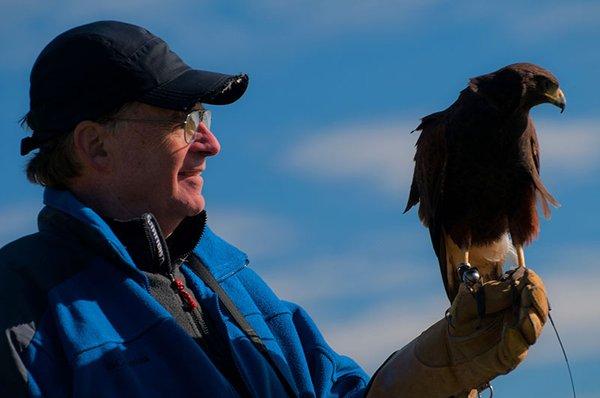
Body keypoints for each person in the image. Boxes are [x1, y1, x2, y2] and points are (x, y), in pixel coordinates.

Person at [1, 21, 548, 398]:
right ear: (95, 146)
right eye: (182, 121)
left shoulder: (230, 278)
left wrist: (437, 374)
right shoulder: (20, 304)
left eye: (203, 119)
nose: (209, 144)